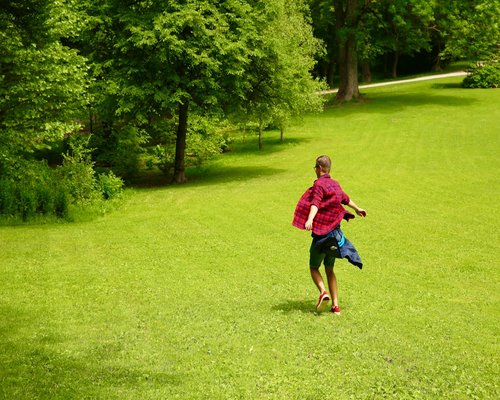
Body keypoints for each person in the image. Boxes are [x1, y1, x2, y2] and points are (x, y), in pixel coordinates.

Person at [292, 155, 367, 315]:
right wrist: (357, 208)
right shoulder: (335, 184)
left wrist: (310, 219)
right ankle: (336, 307)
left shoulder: (319, 185)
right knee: (330, 269)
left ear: (319, 168)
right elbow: (345, 199)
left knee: (313, 267)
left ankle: (323, 292)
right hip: (334, 235)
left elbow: (315, 203)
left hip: (322, 236)